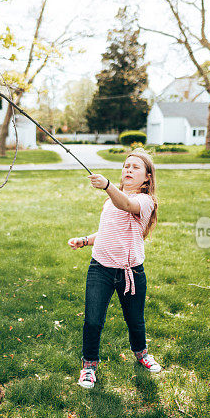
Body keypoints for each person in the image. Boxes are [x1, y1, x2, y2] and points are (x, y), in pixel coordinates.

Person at [67, 149, 160, 389]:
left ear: (147, 178)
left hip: (132, 272)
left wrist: (107, 185)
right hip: (101, 269)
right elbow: (108, 232)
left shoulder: (145, 201)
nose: (128, 169)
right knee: (93, 320)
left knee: (135, 320)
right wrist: (86, 240)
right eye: (126, 165)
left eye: (135, 167)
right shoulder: (111, 200)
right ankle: (89, 366)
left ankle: (141, 354)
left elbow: (127, 204)